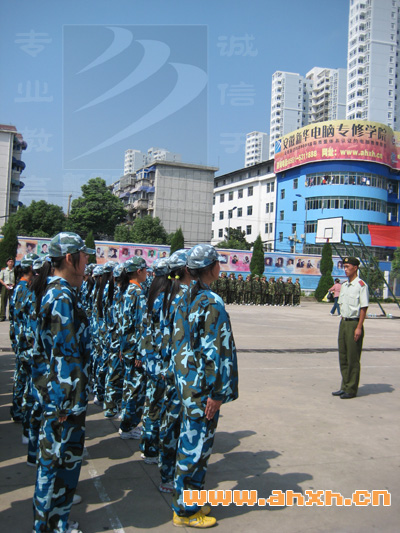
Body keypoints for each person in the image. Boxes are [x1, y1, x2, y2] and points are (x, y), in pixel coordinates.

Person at [171, 244, 238, 528]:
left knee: (192, 445)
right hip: (202, 390)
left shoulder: (186, 296)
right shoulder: (210, 302)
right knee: (195, 449)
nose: (220, 267)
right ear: (211, 268)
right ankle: (185, 511)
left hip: (189, 385)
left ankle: (192, 501)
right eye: (218, 263)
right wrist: (217, 392)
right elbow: (217, 352)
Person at [31, 232, 95, 533]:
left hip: (61, 398)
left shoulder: (62, 292)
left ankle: (55, 521)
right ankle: (51, 526)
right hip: (63, 402)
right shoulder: (61, 297)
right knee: (56, 464)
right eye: (84, 255)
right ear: (70, 258)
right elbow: (63, 356)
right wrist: (66, 404)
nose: (87, 260)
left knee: (58, 464)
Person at [332, 257, 369, 400]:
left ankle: (351, 389)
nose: (345, 269)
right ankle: (344, 386)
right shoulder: (345, 286)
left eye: (348, 266)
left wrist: (359, 327)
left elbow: (363, 308)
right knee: (343, 356)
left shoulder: (361, 285)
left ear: (355, 268)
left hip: (354, 323)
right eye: (344, 266)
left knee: (353, 357)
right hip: (343, 322)